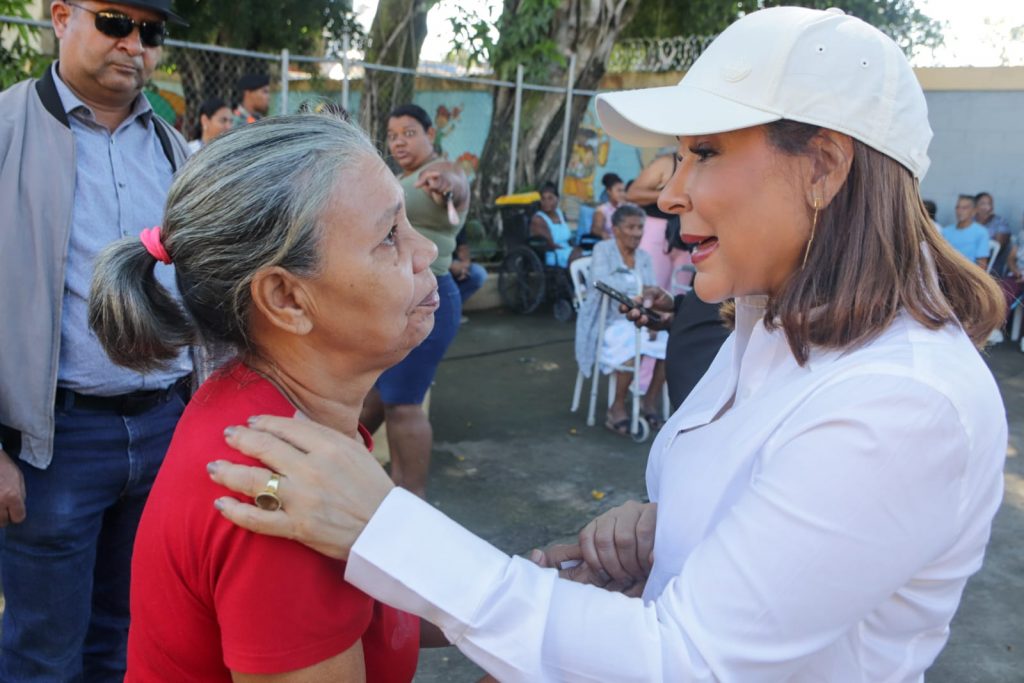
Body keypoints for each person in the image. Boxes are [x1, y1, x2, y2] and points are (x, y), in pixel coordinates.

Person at [207, 7, 1007, 681]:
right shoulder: (775, 323)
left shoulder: (904, 400)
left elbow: (687, 660)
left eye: (704, 152)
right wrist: (673, 533)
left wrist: (383, 524)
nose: (669, 191)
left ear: (824, 167)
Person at [89, 114, 441, 681]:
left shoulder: (280, 418)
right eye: (389, 237)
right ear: (286, 299)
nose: (427, 251)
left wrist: (535, 597)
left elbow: (380, 612)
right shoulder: (276, 497)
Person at [0, 0, 191, 678]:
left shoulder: (170, 146)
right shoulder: (9, 128)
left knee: (127, 642)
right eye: (115, 22)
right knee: (42, 654)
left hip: (163, 428)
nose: (134, 45)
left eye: (151, 32)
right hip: (52, 445)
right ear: (60, 17)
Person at [360, 103, 468, 497]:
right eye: (392, 136)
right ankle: (360, 480)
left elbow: (457, 185)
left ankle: (411, 499)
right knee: (378, 397)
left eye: (409, 133)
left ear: (430, 135)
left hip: (427, 297)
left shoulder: (443, 170)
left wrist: (447, 186)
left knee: (404, 404)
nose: (399, 142)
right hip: (397, 299)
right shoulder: (401, 178)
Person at [575, 204, 667, 434]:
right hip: (607, 321)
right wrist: (638, 290)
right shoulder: (603, 249)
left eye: (640, 227)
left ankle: (650, 401)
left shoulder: (644, 256)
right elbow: (600, 283)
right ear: (616, 229)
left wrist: (652, 317)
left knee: (670, 341)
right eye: (631, 227)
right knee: (631, 342)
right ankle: (616, 405)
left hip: (638, 319)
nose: (637, 233)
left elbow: (652, 289)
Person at [625, 152, 693, 294]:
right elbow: (632, 194)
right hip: (658, 230)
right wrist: (671, 196)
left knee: (681, 291)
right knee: (652, 289)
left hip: (688, 232)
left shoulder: (707, 164)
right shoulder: (666, 163)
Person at [529, 181, 574, 267]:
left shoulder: (560, 213)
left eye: (550, 198)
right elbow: (549, 244)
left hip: (567, 250)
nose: (546, 202)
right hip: (554, 254)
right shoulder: (538, 219)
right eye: (543, 199)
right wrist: (572, 251)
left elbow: (569, 238)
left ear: (557, 199)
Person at [942, 194, 991, 269]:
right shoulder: (946, 231)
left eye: (964, 208)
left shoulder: (981, 232)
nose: (959, 211)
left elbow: (982, 265)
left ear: (974, 211)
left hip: (968, 273)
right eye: (957, 207)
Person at [450, 226, 488, 310]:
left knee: (478, 274)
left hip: (455, 263)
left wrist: (464, 267)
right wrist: (450, 265)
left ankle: (452, 307)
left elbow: (463, 248)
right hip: (436, 264)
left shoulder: (457, 221)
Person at [974, 191, 1011, 274]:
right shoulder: (970, 221)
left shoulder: (1000, 222)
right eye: (983, 203)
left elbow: (998, 247)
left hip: (991, 267)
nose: (987, 207)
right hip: (968, 261)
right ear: (975, 206)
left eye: (990, 203)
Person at [590, 172, 627, 239]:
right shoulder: (602, 210)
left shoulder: (626, 208)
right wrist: (604, 234)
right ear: (609, 191)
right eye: (619, 191)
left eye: (623, 191)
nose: (622, 194)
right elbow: (595, 229)